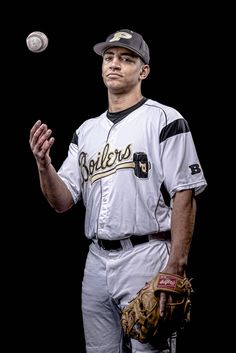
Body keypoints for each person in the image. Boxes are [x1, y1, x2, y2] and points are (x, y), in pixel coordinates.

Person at [29, 29, 207, 353]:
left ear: (144, 71)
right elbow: (63, 201)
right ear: (101, 66)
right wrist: (44, 166)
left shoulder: (165, 119)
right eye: (109, 57)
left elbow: (185, 193)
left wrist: (177, 264)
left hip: (146, 256)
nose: (115, 64)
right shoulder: (86, 131)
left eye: (126, 59)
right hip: (96, 261)